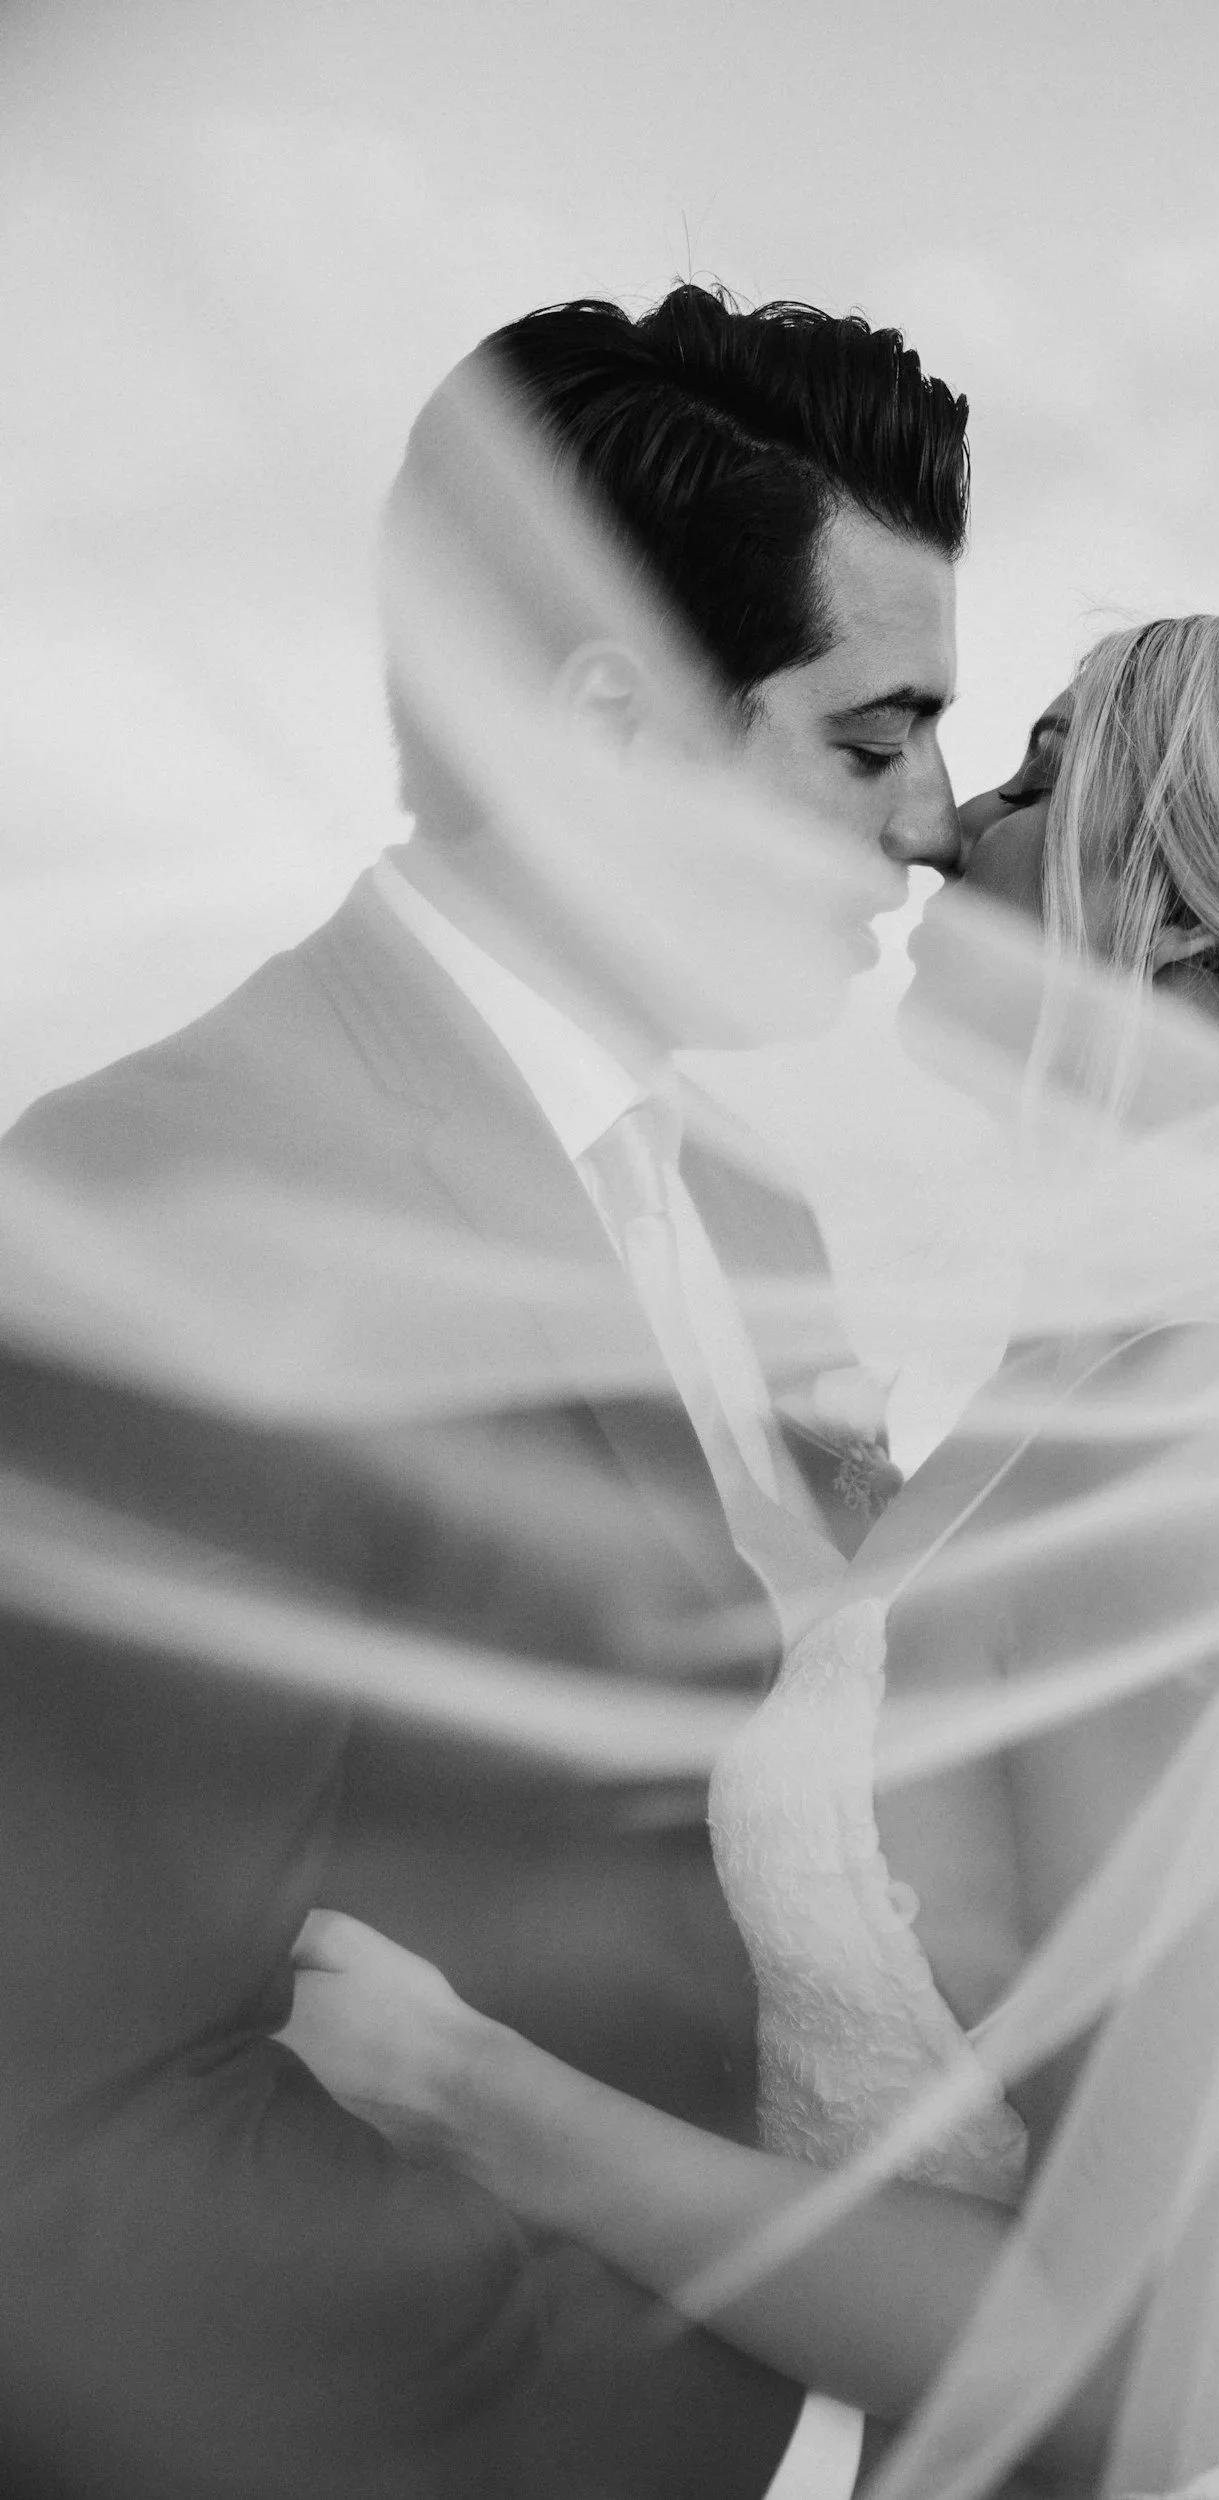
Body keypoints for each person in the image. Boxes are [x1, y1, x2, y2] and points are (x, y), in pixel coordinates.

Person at [280, 613, 1219, 2498]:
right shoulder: (1083, 1377)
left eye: (1029, 775)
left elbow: (1139, 2369)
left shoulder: (1195, 1470)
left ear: (1164, 910)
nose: (943, 832)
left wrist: (468, 2094)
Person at [0, 282, 968, 2500]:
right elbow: (63, 2146)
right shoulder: (185, 1202)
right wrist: (760, 2394)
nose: (928, 822)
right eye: (866, 731)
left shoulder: (747, 1201)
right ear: (611, 722)